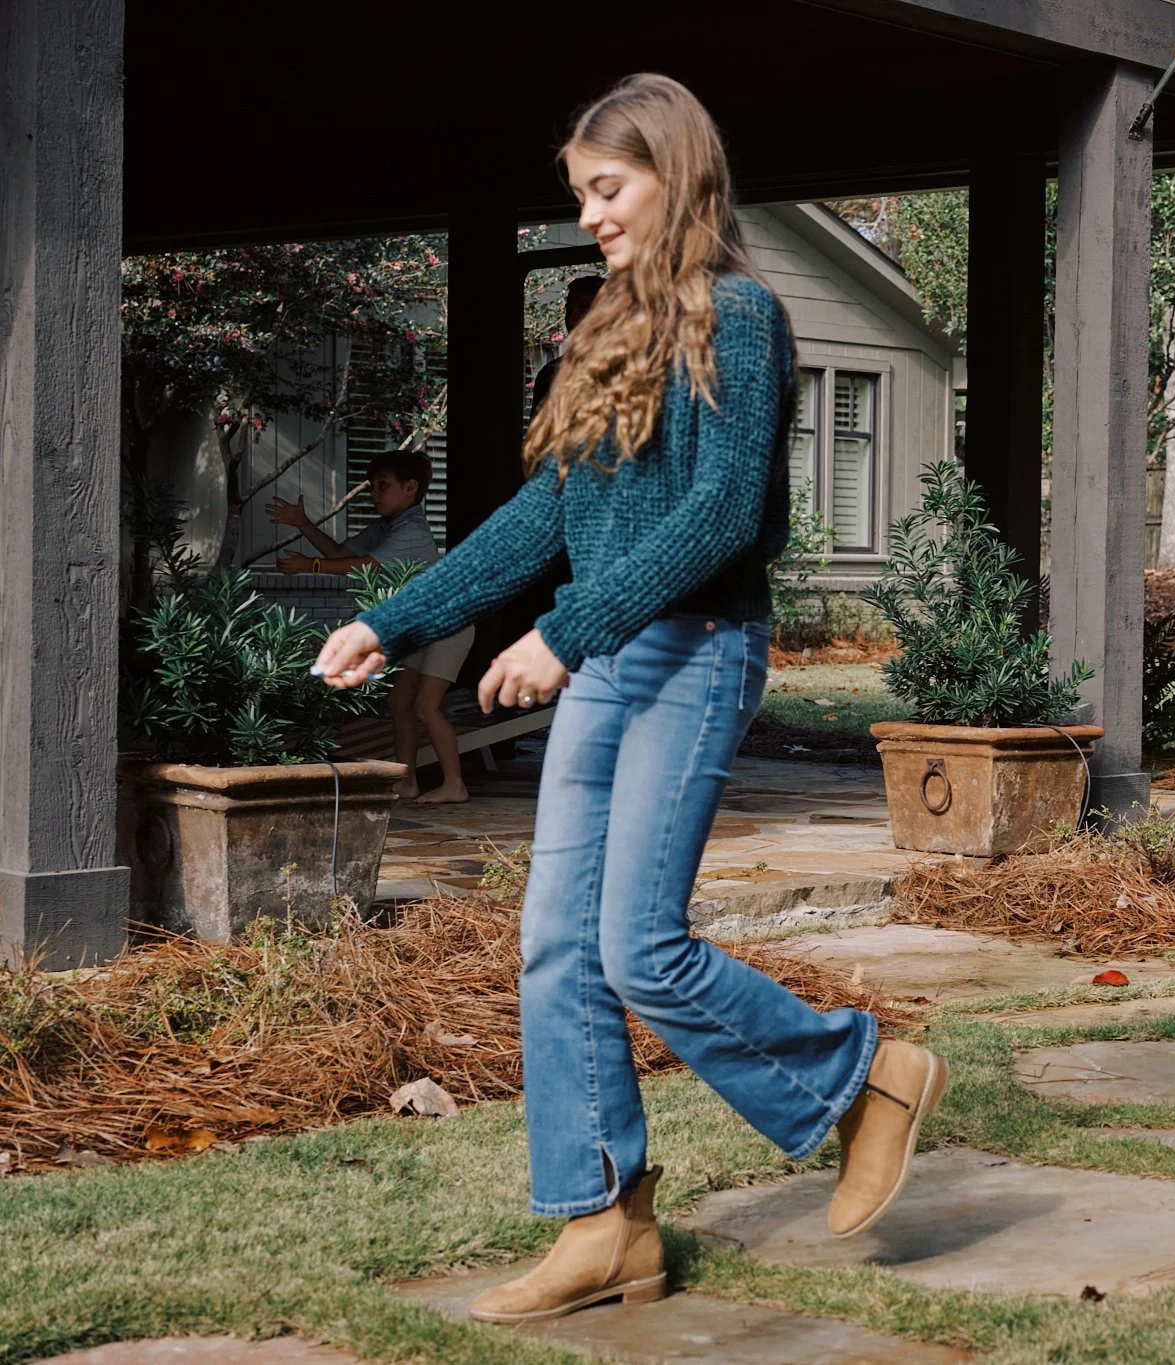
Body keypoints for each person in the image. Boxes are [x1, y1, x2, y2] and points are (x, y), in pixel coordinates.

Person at [311, 73, 947, 1324]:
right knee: (555, 950)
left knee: (639, 951)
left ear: (676, 175)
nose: (593, 216)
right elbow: (543, 514)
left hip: (695, 654)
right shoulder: (605, 327)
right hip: (610, 665)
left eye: (608, 190)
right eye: (583, 197)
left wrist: (564, 633)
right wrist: (389, 622)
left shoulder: (744, 317)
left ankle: (867, 1075)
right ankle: (603, 1226)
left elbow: (718, 517)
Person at [269, 450, 475, 803]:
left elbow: (364, 566)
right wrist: (303, 524)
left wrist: (310, 566)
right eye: (372, 486)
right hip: (419, 626)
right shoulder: (386, 527)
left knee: (426, 706)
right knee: (399, 702)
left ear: (410, 488)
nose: (374, 494)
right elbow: (339, 554)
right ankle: (407, 781)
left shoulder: (413, 530)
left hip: (447, 624)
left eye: (382, 486)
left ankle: (455, 784)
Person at [530, 273, 605, 421]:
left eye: (583, 310)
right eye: (569, 311)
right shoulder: (552, 374)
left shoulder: (631, 370)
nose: (571, 320)